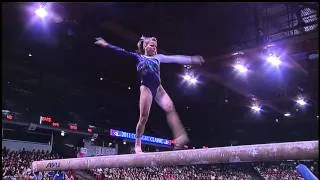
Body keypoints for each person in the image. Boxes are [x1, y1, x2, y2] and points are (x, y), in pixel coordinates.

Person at [94, 36, 205, 153]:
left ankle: (180, 137)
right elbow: (121, 52)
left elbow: (174, 58)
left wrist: (191, 59)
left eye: (156, 47)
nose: (154, 48)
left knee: (170, 107)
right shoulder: (138, 57)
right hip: (146, 88)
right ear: (145, 46)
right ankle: (137, 143)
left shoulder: (158, 58)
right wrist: (106, 44)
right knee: (143, 118)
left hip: (158, 88)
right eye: (152, 45)